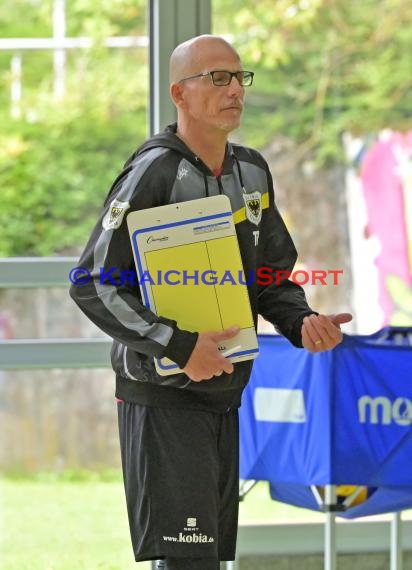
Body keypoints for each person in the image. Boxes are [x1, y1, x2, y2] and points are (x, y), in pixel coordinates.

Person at [70, 34, 352, 570]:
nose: (234, 90)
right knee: (186, 563)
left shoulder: (251, 171)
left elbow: (269, 275)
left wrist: (302, 322)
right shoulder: (153, 170)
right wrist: (179, 346)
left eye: (239, 77)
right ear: (180, 93)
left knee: (208, 562)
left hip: (226, 391)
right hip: (162, 398)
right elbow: (94, 281)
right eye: (216, 78)